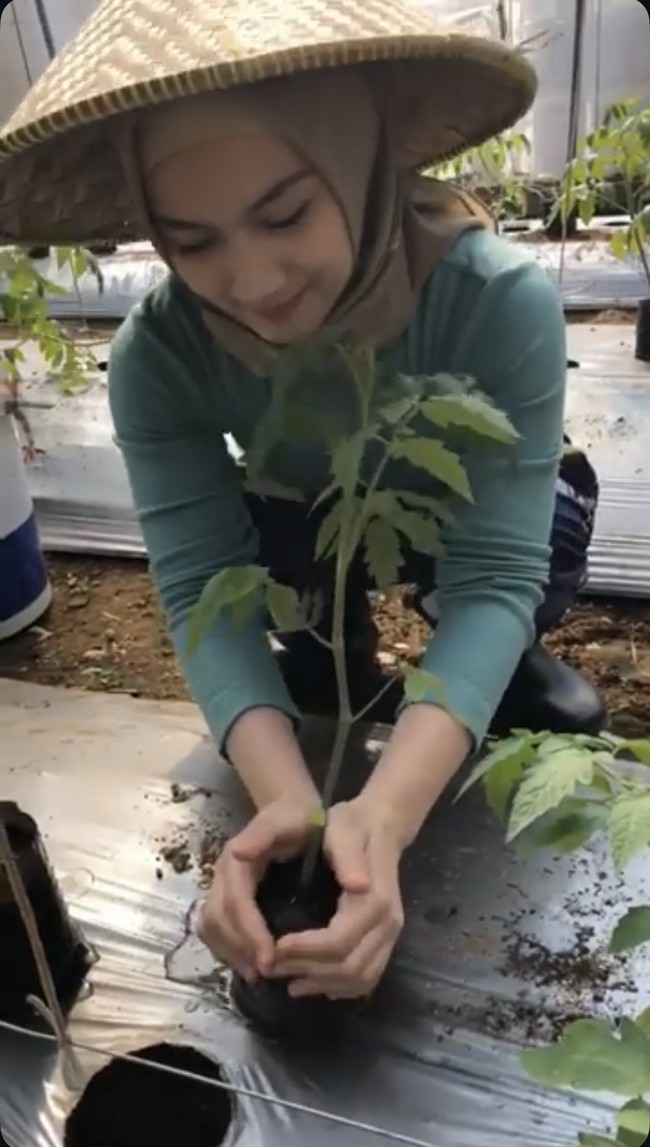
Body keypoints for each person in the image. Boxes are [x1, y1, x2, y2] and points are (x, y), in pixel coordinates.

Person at [0, 0, 605, 1004]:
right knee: (287, 566)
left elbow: (498, 564)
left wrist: (389, 811)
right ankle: (343, 656)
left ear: (362, 168)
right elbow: (200, 581)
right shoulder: (160, 356)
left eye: (284, 215)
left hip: (489, 519)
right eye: (191, 241)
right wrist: (289, 797)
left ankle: (490, 669)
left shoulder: (494, 301)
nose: (250, 278)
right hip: (314, 506)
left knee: (532, 544)